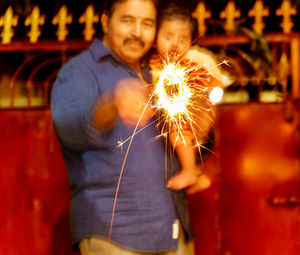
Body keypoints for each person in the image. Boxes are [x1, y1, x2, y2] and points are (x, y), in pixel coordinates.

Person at [51, 0, 194, 254]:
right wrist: (112, 104)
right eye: (127, 20)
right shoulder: (80, 71)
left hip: (171, 227)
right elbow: (71, 129)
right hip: (112, 233)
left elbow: (188, 134)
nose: (137, 32)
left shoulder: (160, 71)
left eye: (147, 23)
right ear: (105, 21)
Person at [150, 5, 224, 192]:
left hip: (192, 114)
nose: (175, 44)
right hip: (169, 118)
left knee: (180, 122)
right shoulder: (152, 65)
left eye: (183, 39)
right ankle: (197, 174)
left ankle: (190, 170)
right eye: (168, 37)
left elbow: (215, 83)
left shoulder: (196, 62)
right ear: (155, 38)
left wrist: (210, 96)